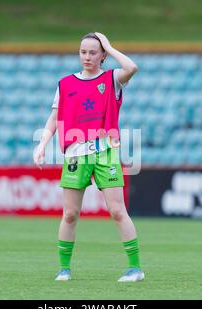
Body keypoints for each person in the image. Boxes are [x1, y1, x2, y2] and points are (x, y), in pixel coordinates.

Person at [33, 32, 144, 282]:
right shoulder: (65, 84)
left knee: (117, 210)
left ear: (102, 55)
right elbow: (54, 118)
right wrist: (42, 145)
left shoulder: (112, 78)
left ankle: (136, 268)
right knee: (70, 214)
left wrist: (111, 46)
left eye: (93, 52)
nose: (87, 57)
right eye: (83, 51)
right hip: (75, 154)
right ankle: (64, 269)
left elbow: (132, 67)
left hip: (105, 151)